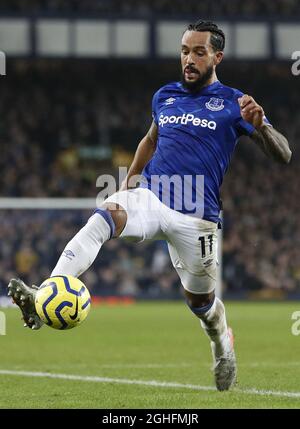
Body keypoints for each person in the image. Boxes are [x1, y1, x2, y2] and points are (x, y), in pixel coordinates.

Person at [8, 20, 292, 391]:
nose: (188, 59)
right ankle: (47, 294)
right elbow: (150, 138)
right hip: (154, 197)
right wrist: (130, 181)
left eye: (198, 52)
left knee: (202, 304)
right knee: (105, 216)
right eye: (184, 51)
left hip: (197, 215)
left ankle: (222, 344)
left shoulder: (235, 103)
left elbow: (284, 154)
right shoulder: (165, 95)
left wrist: (264, 127)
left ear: (217, 57)